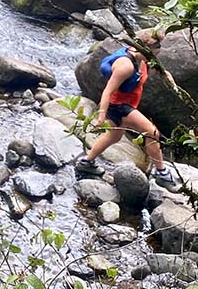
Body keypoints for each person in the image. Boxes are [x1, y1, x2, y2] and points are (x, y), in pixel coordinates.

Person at [75, 28, 178, 187]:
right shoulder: (125, 66)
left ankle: (86, 162)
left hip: (127, 103)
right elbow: (107, 92)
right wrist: (101, 117)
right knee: (152, 133)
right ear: (144, 47)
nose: (159, 50)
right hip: (119, 106)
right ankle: (162, 173)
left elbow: (154, 68)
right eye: (157, 47)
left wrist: (167, 75)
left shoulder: (144, 58)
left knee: (113, 137)